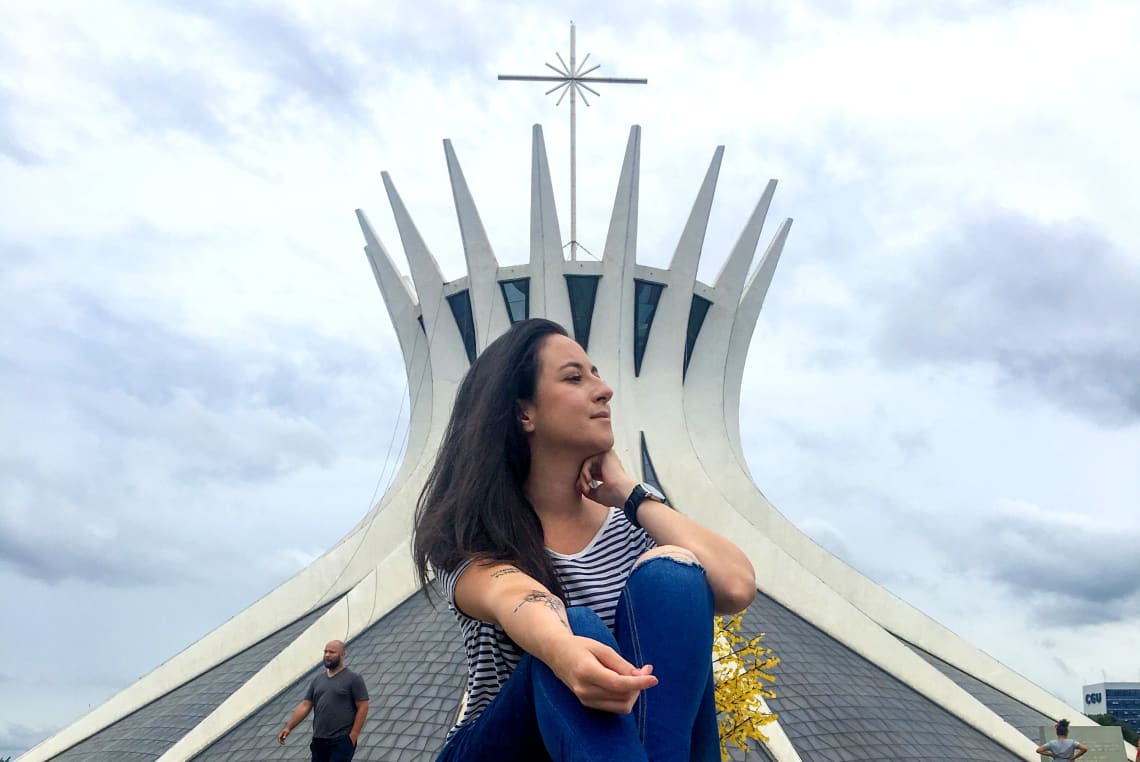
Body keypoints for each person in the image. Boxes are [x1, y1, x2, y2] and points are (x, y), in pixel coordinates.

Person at [413, 318, 757, 761]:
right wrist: (563, 652)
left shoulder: (631, 527)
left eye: (596, 373)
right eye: (575, 377)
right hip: (503, 748)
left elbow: (735, 586)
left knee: (674, 576)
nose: (604, 389)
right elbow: (514, 595)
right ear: (524, 413)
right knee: (576, 627)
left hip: (622, 746)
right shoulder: (475, 535)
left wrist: (631, 495)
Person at [277, 640, 369, 762]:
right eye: (325, 651)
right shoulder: (318, 680)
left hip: (341, 740)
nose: (327, 655)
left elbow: (363, 706)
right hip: (319, 740)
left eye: (332, 652)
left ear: (342, 655)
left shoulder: (353, 678)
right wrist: (289, 727)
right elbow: (305, 705)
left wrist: (353, 735)